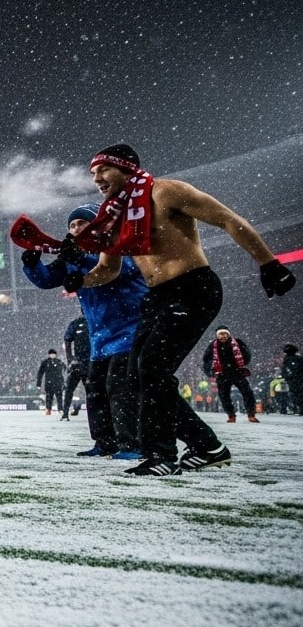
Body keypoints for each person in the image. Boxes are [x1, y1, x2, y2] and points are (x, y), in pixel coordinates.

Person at [71, 144, 295, 476]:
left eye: (103, 170)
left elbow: (227, 220)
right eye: (93, 174)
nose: (97, 179)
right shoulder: (114, 215)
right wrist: (78, 279)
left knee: (152, 369)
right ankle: (207, 446)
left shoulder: (166, 191)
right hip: (156, 296)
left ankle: (160, 456)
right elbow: (109, 269)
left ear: (125, 167)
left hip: (193, 287)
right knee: (136, 378)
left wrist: (268, 262)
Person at [23, 202, 150, 459]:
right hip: (100, 335)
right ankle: (105, 442)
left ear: (98, 224)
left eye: (83, 222)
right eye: (72, 225)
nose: (76, 228)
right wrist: (32, 264)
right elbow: (47, 280)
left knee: (120, 388)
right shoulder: (71, 254)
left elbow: (123, 270)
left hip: (130, 327)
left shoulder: (118, 243)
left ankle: (131, 444)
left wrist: (81, 258)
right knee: (96, 390)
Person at [201, 327, 257, 423]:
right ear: (217, 336)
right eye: (220, 334)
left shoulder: (237, 342)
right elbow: (206, 360)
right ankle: (231, 415)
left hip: (237, 372)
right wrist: (210, 372)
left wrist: (244, 362)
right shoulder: (213, 346)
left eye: (225, 334)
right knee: (224, 396)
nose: (223, 336)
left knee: (248, 393)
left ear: (229, 334)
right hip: (222, 375)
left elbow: (247, 354)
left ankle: (251, 414)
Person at [61, 315, 91, 416]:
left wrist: (70, 359)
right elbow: (67, 340)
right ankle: (67, 411)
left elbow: (67, 339)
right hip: (83, 363)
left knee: (72, 389)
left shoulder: (80, 322)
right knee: (73, 389)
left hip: (87, 362)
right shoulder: (79, 322)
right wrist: (70, 359)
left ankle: (68, 411)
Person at [35, 349, 67, 418]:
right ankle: (48, 409)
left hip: (58, 382)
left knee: (59, 397)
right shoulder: (45, 362)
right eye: (51, 354)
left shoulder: (59, 362)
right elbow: (40, 373)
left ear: (55, 355)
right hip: (49, 383)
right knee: (49, 397)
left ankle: (60, 409)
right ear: (49, 355)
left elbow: (64, 370)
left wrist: (64, 383)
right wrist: (38, 383)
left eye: (54, 354)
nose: (52, 355)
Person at [282, 344, 303, 416]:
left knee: (295, 394)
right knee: (299, 394)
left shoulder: (286, 359)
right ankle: (300, 408)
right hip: (298, 379)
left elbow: (284, 370)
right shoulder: (299, 358)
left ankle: (299, 408)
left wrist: (286, 377)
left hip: (293, 380)